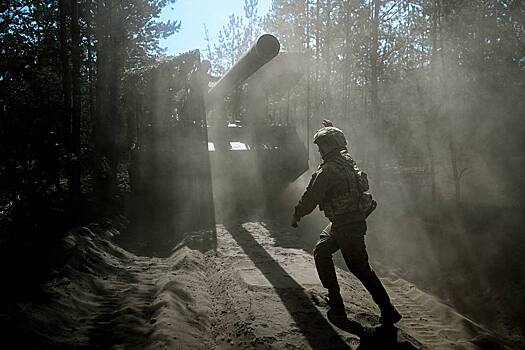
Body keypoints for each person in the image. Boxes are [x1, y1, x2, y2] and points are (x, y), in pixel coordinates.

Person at [291, 119, 402, 324]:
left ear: (331, 145)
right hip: (345, 223)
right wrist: (330, 129)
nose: (319, 150)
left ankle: (388, 309)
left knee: (360, 268)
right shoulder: (347, 161)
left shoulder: (327, 170)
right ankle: (335, 299)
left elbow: (311, 197)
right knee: (322, 252)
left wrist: (298, 213)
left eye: (322, 145)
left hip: (347, 226)